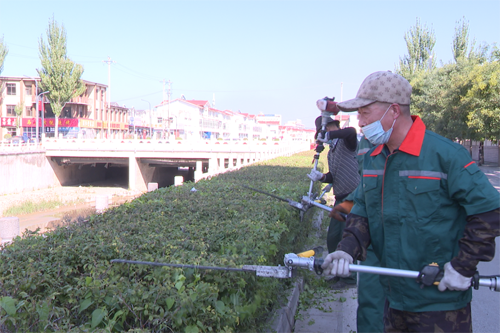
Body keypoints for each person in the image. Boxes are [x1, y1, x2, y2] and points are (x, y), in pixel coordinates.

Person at [322, 70, 500, 332]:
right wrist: (346, 249)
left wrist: (463, 266)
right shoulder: (374, 158)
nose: (359, 122)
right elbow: (363, 212)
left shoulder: (445, 155)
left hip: (440, 304)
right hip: (394, 300)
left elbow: (489, 210)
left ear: (393, 111)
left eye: (365, 113)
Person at [331, 134, 384, 333]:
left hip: (402, 242)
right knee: (370, 305)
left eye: (365, 111)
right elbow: (366, 185)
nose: (362, 119)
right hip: (372, 243)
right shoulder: (366, 142)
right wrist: (349, 203)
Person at [307, 114, 360, 287]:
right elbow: (333, 176)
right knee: (333, 238)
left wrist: (330, 135)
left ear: (329, 128)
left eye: (323, 134)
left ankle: (349, 278)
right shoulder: (331, 153)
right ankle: (339, 273)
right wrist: (321, 177)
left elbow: (351, 132)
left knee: (344, 236)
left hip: (353, 196)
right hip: (340, 197)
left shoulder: (347, 142)